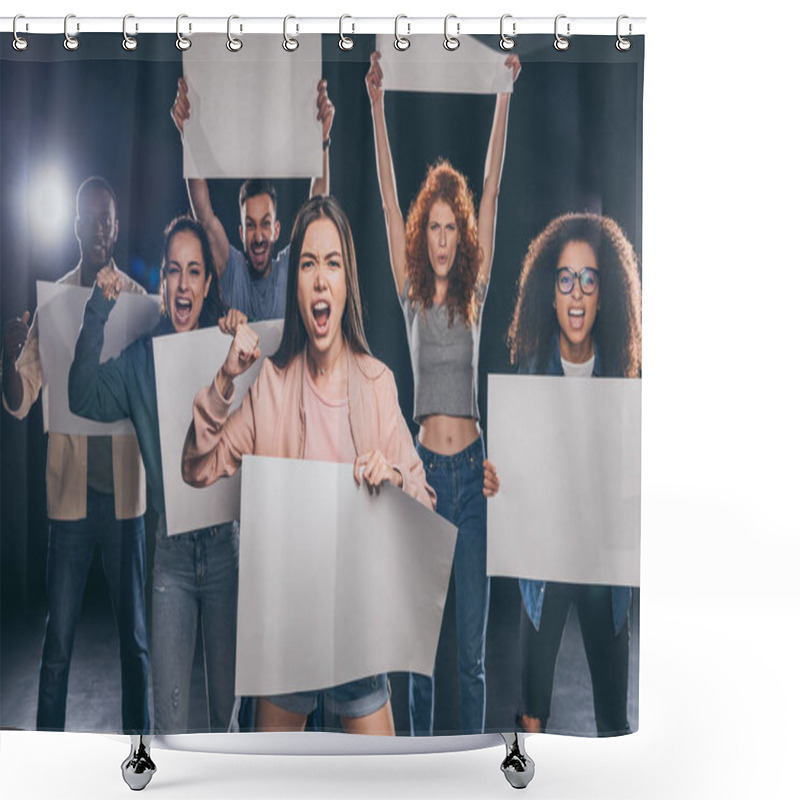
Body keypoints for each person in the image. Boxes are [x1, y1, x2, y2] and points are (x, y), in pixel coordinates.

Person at [182, 195, 435, 735]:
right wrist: (225, 380)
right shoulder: (268, 386)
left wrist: (392, 478)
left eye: (333, 263)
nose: (321, 280)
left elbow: (423, 501)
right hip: (287, 635)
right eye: (308, 264)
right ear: (295, 284)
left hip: (357, 632)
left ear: (347, 284)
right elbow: (197, 467)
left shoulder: (378, 382)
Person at [365, 49, 521, 735]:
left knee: (471, 657)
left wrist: (503, 95)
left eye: (450, 227)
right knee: (419, 653)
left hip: (473, 478)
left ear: (463, 234)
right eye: (432, 226)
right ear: (421, 233)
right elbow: (385, 193)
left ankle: (477, 771)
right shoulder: (410, 295)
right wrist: (374, 104)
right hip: (424, 474)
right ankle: (416, 768)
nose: (440, 237)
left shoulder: (476, 297)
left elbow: (492, 185)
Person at [69, 215, 238, 734]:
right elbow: (81, 394)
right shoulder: (142, 361)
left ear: (208, 283)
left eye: (194, 272)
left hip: (226, 553)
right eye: (173, 271)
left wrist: (239, 349)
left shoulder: (229, 348)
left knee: (227, 722)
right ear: (163, 283)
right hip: (171, 559)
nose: (183, 284)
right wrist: (97, 309)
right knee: (168, 725)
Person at [484, 211, 642, 736]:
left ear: (603, 295)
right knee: (531, 716)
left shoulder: (624, 384)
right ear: (550, 294)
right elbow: (517, 487)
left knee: (615, 723)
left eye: (590, 280)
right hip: (545, 569)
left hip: (603, 573)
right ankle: (524, 789)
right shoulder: (528, 379)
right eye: (566, 279)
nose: (577, 293)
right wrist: (497, 484)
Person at [1, 176, 149, 735]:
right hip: (69, 501)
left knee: (134, 645)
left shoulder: (137, 301)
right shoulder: (54, 303)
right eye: (88, 218)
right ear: (75, 225)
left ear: (116, 227)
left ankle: (143, 759)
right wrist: (6, 360)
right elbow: (21, 399)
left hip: (125, 505)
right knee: (57, 646)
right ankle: (46, 765)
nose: (97, 228)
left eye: (106, 219)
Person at [171, 76, 335, 321]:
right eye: (251, 225)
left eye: (265, 223)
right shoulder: (233, 270)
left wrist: (322, 141)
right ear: (240, 232)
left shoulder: (287, 270)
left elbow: (317, 206)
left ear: (276, 230)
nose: (258, 236)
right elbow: (204, 217)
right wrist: (188, 134)